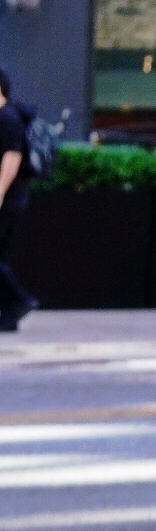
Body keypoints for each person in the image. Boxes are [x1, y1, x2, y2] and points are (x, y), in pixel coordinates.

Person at [0, 66, 34, 334]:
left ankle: (18, 301)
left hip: (7, 200)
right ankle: (10, 311)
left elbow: (12, 159)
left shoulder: (7, 118)